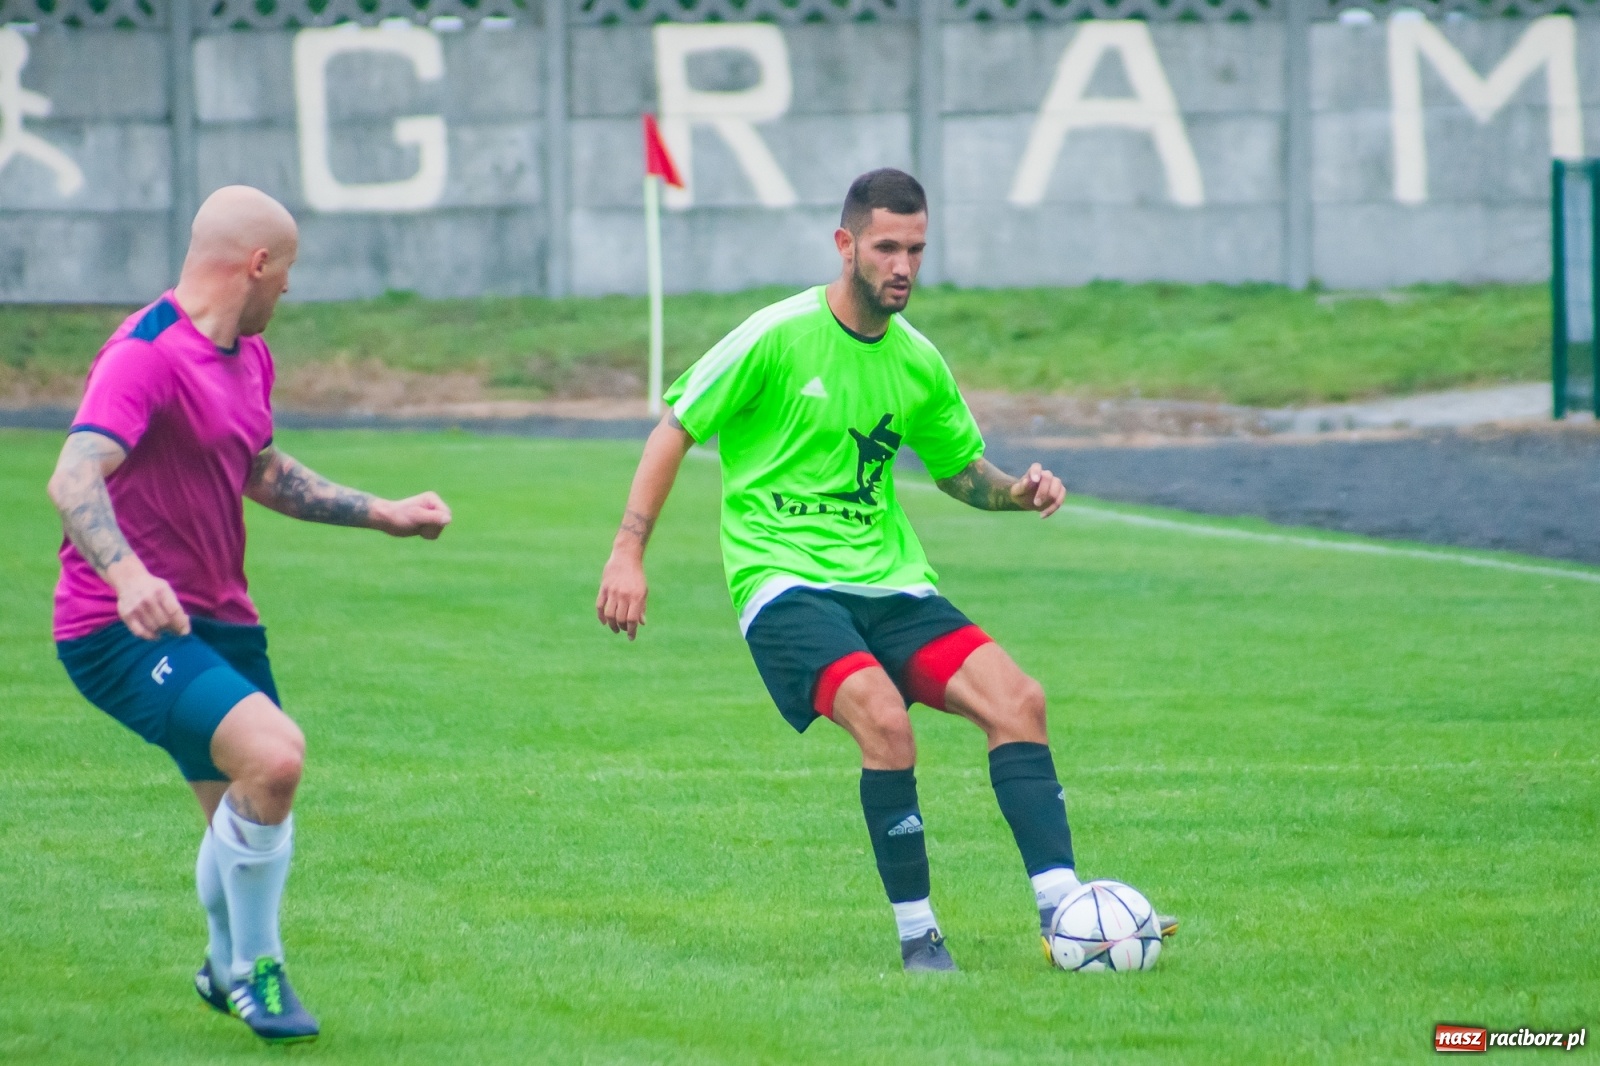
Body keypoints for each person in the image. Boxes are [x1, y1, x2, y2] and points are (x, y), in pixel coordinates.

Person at [596, 168, 1174, 972]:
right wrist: (628, 553)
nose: (903, 266)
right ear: (847, 245)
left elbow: (959, 471)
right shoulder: (776, 335)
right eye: (887, 248)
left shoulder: (917, 362)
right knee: (884, 719)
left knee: (1019, 702)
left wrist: (1017, 492)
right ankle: (918, 937)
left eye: (916, 250)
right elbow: (676, 426)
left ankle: (1067, 911)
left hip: (891, 583)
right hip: (784, 581)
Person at [47, 185, 453, 1041]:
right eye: (289, 270)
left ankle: (220, 963)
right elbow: (73, 475)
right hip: (122, 627)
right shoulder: (145, 354)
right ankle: (257, 973)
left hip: (218, 620)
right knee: (275, 758)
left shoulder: (250, 357)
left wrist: (382, 512)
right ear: (257, 263)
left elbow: (261, 469)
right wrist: (127, 576)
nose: (290, 289)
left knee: (246, 804)